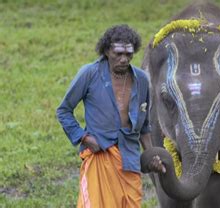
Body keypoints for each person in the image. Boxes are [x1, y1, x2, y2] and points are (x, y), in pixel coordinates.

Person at [56, 24, 165, 207]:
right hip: (99, 156)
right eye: (118, 54)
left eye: (128, 54)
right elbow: (63, 111)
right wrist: (84, 137)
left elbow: (144, 127)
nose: (123, 59)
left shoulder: (141, 80)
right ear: (107, 51)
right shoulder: (90, 74)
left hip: (129, 160)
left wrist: (152, 155)